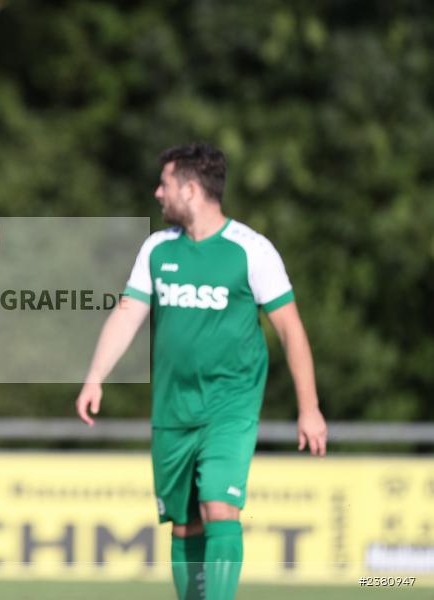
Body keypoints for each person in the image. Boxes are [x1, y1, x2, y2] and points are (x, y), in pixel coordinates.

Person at [75, 143, 326, 600]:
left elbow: (291, 330)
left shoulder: (251, 250)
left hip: (230, 405)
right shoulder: (157, 249)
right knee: (185, 524)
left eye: (165, 184)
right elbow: (128, 314)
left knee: (219, 506)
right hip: (173, 408)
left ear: (190, 190)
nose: (158, 193)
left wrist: (309, 408)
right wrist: (95, 376)